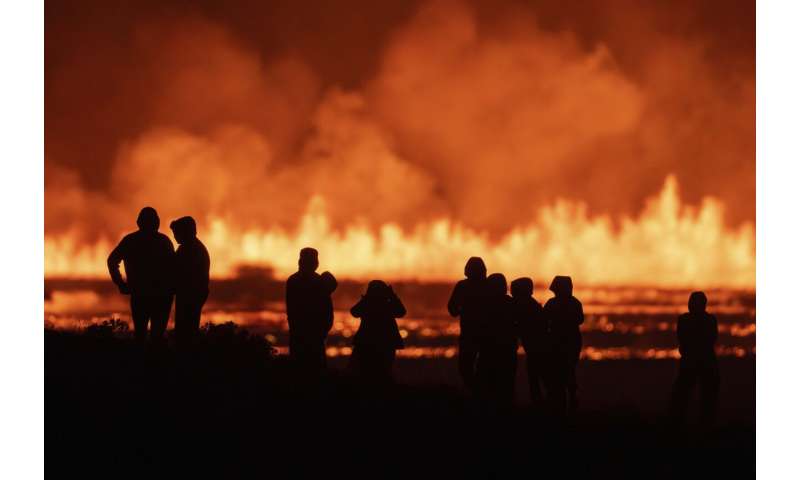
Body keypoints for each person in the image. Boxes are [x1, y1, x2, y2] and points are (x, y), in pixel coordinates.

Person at [107, 207, 175, 345]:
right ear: (157, 222)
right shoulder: (164, 241)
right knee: (157, 335)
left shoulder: (130, 240)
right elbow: (174, 268)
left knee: (140, 335)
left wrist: (120, 283)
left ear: (139, 222)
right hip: (161, 296)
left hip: (140, 294)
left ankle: (141, 363)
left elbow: (112, 260)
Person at [670, 291, 720, 426]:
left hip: (692, 360)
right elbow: (712, 339)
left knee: (683, 395)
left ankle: (681, 424)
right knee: (704, 396)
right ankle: (703, 425)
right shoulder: (710, 320)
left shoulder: (684, 320)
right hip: (703, 359)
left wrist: (689, 350)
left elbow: (682, 340)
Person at [285, 248, 337, 377]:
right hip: (309, 332)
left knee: (303, 370)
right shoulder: (315, 281)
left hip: (304, 332)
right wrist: (325, 327)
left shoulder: (294, 280)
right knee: (313, 369)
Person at [349, 280, 406, 384]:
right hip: (384, 344)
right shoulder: (387, 305)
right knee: (383, 374)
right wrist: (392, 296)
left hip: (367, 344)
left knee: (366, 374)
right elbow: (401, 311)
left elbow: (354, 311)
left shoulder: (368, 304)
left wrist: (366, 299)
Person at [475, 273, 517, 409]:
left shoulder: (483, 304)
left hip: (488, 349)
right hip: (507, 350)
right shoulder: (511, 303)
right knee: (506, 384)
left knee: (486, 383)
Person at [544, 275, 583, 415]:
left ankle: (561, 404)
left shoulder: (552, 303)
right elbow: (580, 319)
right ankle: (570, 402)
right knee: (569, 372)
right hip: (572, 341)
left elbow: (544, 320)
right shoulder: (575, 303)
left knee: (559, 374)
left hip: (558, 342)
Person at [447, 257, 488, 392]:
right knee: (483, 368)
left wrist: (463, 310)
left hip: (468, 334)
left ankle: (475, 393)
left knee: (465, 368)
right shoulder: (488, 286)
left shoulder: (462, 286)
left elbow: (452, 309)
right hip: (486, 334)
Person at [169, 216, 210, 347]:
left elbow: (180, 272)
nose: (175, 237)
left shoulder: (191, 250)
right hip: (191, 294)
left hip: (190, 295)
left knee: (185, 332)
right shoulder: (190, 247)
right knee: (187, 331)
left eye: (176, 233)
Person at [510, 277, 547, 405]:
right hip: (535, 349)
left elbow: (520, 327)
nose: (512, 294)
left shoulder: (527, 307)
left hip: (537, 349)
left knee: (537, 377)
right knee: (537, 378)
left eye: (514, 292)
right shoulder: (529, 305)